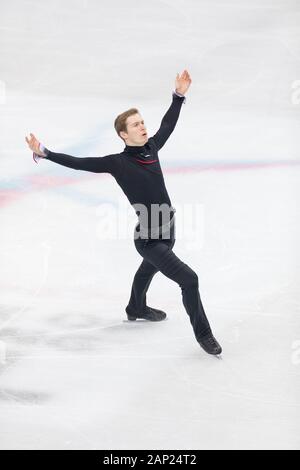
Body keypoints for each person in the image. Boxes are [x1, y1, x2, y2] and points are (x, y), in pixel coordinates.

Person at [25, 70, 222, 356]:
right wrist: (46, 152)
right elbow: (80, 162)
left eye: (142, 122)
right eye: (135, 125)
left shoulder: (152, 147)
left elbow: (168, 124)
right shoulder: (117, 163)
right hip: (148, 238)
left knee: (147, 270)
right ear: (123, 134)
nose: (143, 127)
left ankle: (136, 307)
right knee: (189, 279)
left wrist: (178, 96)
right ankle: (204, 335)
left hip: (168, 230)